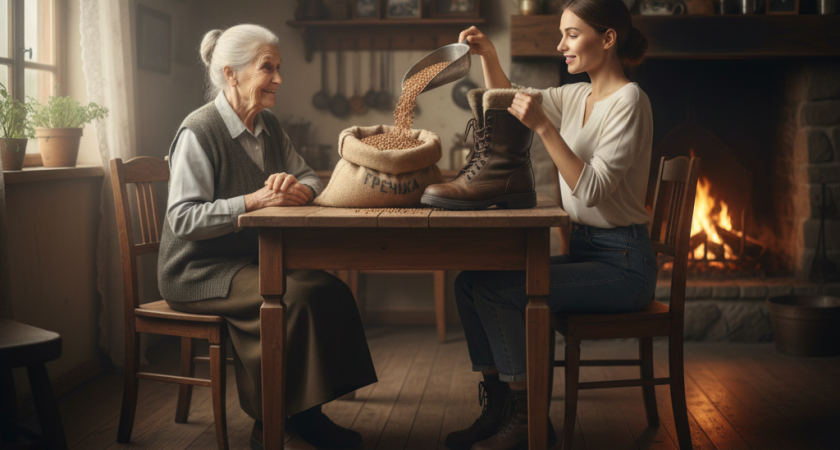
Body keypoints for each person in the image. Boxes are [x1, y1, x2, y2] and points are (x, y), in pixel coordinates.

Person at [158, 24, 377, 450]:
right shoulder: (198, 131)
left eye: (278, 68)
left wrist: (301, 190)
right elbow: (183, 219)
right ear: (231, 74)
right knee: (290, 300)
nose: (278, 79)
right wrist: (254, 200)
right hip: (196, 270)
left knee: (329, 290)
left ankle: (309, 415)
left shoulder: (269, 126)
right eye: (267, 68)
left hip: (251, 262)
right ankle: (272, 426)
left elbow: (312, 174)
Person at [446, 0, 655, 449]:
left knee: (498, 290)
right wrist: (489, 57)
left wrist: (545, 130)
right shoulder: (577, 95)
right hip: (587, 251)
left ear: (608, 38)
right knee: (468, 283)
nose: (561, 45)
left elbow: (592, 188)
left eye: (572, 34)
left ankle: (528, 419)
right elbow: (512, 102)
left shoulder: (630, 101)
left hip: (624, 265)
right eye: (561, 34)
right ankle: (499, 406)